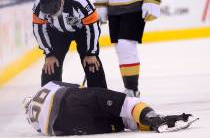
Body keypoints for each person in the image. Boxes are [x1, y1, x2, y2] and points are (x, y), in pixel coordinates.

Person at [23, 81, 196, 136]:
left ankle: (153, 123)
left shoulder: (33, 123)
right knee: (125, 104)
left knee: (118, 120)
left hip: (66, 126)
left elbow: (47, 131)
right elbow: (75, 87)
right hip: (70, 100)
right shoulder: (45, 87)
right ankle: (154, 119)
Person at [94, 0, 161, 96]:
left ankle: (132, 89)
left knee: (125, 46)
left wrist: (152, 0)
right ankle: (130, 89)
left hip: (135, 5)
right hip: (113, 8)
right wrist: (101, 4)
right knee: (119, 48)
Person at [32, 0, 107, 87]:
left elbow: (93, 26)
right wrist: (49, 54)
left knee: (92, 64)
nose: (52, 16)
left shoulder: (80, 1)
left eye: (54, 11)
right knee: (51, 66)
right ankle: (48, 94)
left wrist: (91, 53)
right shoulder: (39, 4)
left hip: (82, 30)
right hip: (57, 32)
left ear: (62, 1)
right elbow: (39, 30)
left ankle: (100, 95)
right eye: (48, 14)